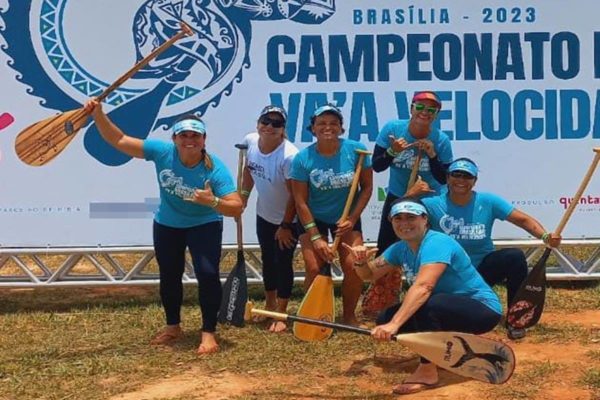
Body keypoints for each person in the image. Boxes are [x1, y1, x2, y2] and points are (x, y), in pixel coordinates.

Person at [84, 99, 243, 355]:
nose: (189, 140)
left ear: (204, 140)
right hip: (168, 223)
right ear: (175, 138)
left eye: (195, 135)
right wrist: (98, 115)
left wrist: (213, 201)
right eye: (183, 135)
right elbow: (120, 141)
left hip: (204, 224)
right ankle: (173, 327)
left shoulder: (215, 170)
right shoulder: (162, 152)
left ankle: (208, 333)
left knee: (207, 273)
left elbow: (236, 207)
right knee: (170, 274)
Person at [343, 198, 502, 395]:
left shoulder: (437, 243)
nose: (404, 223)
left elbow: (425, 286)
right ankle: (444, 351)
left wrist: (394, 324)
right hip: (446, 309)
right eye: (398, 218)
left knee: (423, 306)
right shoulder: (400, 248)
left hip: (482, 310)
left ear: (425, 219)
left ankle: (428, 370)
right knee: (384, 317)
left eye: (411, 217)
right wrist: (361, 262)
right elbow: (369, 275)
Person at [414, 158, 562, 340]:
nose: (461, 180)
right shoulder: (431, 205)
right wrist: (410, 195)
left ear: (474, 181)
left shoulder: (488, 201)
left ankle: (516, 319)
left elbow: (522, 219)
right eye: (456, 174)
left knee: (514, 257)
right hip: (447, 275)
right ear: (447, 177)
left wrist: (546, 236)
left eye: (467, 176)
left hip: (480, 274)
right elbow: (399, 217)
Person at [363, 91, 453, 316]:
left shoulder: (441, 140)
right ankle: (382, 301)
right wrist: (393, 151)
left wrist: (432, 156)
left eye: (431, 110)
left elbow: (444, 178)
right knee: (387, 247)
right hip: (398, 197)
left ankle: (430, 299)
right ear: (411, 108)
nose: (425, 113)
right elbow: (377, 165)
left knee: (428, 249)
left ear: (436, 115)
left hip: (428, 199)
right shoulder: (392, 129)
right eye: (420, 108)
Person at [289, 104, 373, 326]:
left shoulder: (356, 151)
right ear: (313, 129)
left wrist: (352, 219)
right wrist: (316, 238)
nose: (328, 127)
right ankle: (314, 315)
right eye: (322, 123)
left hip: (346, 219)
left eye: (333, 123)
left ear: (341, 128)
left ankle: (348, 316)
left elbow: (367, 188)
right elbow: (300, 201)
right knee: (315, 268)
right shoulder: (302, 159)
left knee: (354, 266)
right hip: (313, 218)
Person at [240, 105, 299, 333]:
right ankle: (269, 305)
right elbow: (249, 169)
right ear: (258, 123)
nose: (270, 127)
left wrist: (285, 225)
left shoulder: (289, 156)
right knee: (268, 259)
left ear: (283, 129)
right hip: (263, 214)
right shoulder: (250, 141)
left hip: (288, 220)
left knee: (283, 263)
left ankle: (281, 314)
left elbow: (295, 195)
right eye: (266, 121)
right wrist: (243, 197)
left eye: (277, 124)